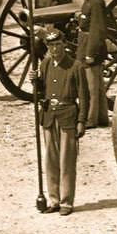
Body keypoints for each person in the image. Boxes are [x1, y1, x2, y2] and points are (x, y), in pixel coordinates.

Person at [32, 28, 89, 215]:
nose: (55, 49)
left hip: (67, 116)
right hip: (49, 116)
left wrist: (82, 120)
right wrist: (35, 81)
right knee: (51, 159)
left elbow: (84, 96)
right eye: (51, 45)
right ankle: (54, 199)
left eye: (57, 45)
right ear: (47, 47)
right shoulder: (45, 64)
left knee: (67, 160)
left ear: (64, 44)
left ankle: (66, 202)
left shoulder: (75, 66)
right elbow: (41, 91)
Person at [76, 0, 109, 129]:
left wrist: (90, 53)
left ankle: (91, 119)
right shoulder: (90, 0)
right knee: (97, 85)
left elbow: (98, 30)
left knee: (92, 87)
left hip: (90, 45)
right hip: (84, 42)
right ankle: (102, 117)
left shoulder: (96, 2)